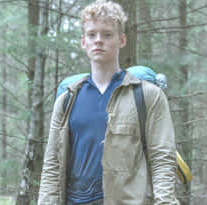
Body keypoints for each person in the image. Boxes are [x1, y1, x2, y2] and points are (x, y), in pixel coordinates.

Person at [38, 0, 180, 204]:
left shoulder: (148, 96)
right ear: (83, 41)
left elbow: (163, 159)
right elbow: (52, 164)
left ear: (121, 40)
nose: (98, 40)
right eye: (92, 34)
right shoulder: (67, 99)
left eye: (107, 34)